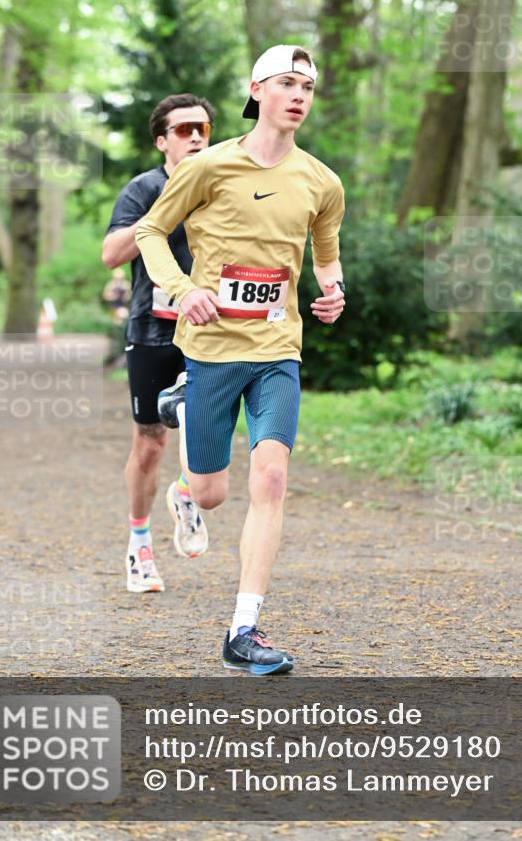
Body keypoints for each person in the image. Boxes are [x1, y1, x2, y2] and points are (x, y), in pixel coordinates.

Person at [136, 46, 345, 674]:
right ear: (256, 89)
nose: (298, 94)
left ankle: (243, 630)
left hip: (277, 348)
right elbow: (151, 231)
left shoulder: (321, 181)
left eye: (307, 85)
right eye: (286, 82)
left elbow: (325, 255)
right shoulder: (210, 166)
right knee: (213, 492)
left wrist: (333, 292)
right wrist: (184, 289)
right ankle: (184, 479)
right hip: (213, 350)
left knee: (272, 478)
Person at [102, 93, 215, 594]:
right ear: (162, 140)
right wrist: (161, 216)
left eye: (203, 130)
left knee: (210, 427)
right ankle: (139, 545)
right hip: (153, 328)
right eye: (185, 129)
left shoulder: (224, 185)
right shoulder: (144, 188)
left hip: (213, 328)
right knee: (151, 443)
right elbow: (110, 254)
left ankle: (187, 492)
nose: (195, 137)